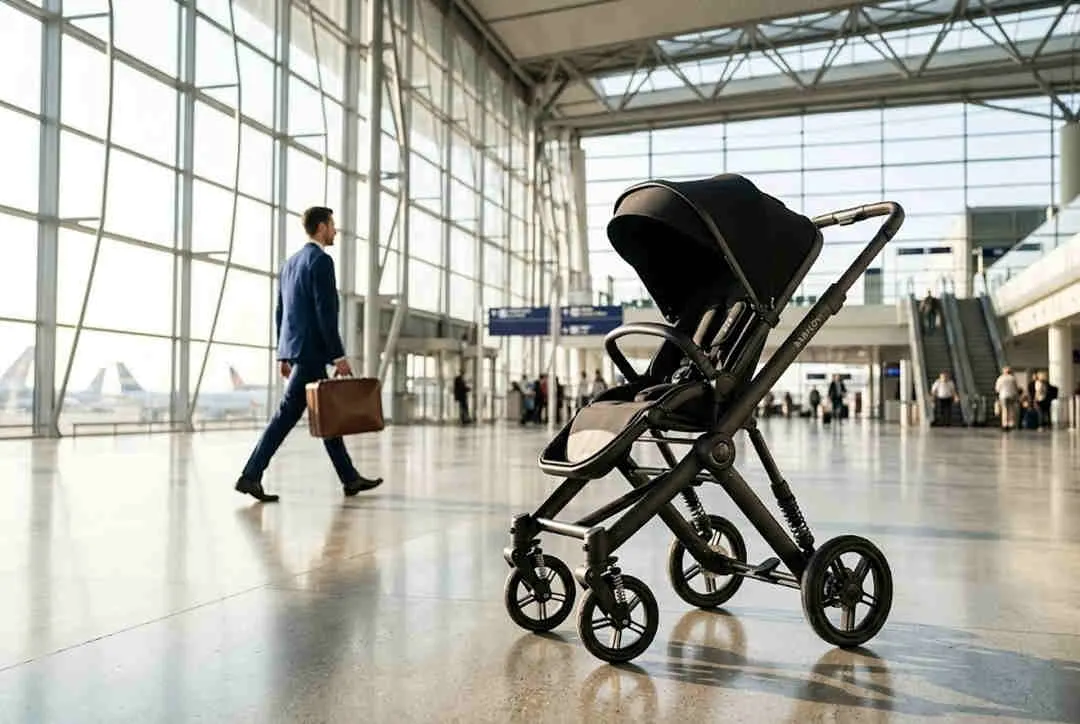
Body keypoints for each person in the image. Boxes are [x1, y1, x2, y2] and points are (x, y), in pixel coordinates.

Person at [235, 206, 383, 502]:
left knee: (325, 413)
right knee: (289, 416)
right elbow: (325, 312)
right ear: (321, 227)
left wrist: (283, 354)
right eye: (332, 225)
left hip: (297, 351)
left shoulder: (289, 265)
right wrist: (338, 356)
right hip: (312, 353)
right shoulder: (321, 261)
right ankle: (250, 475)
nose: (335, 230)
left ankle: (349, 478)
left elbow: (281, 312)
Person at [994, 365, 1020, 432]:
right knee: (1011, 409)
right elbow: (1016, 388)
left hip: (1003, 396)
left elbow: (997, 389)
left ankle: (1005, 424)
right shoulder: (1013, 378)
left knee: (1004, 410)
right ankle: (1011, 423)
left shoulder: (1000, 378)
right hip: (1011, 395)